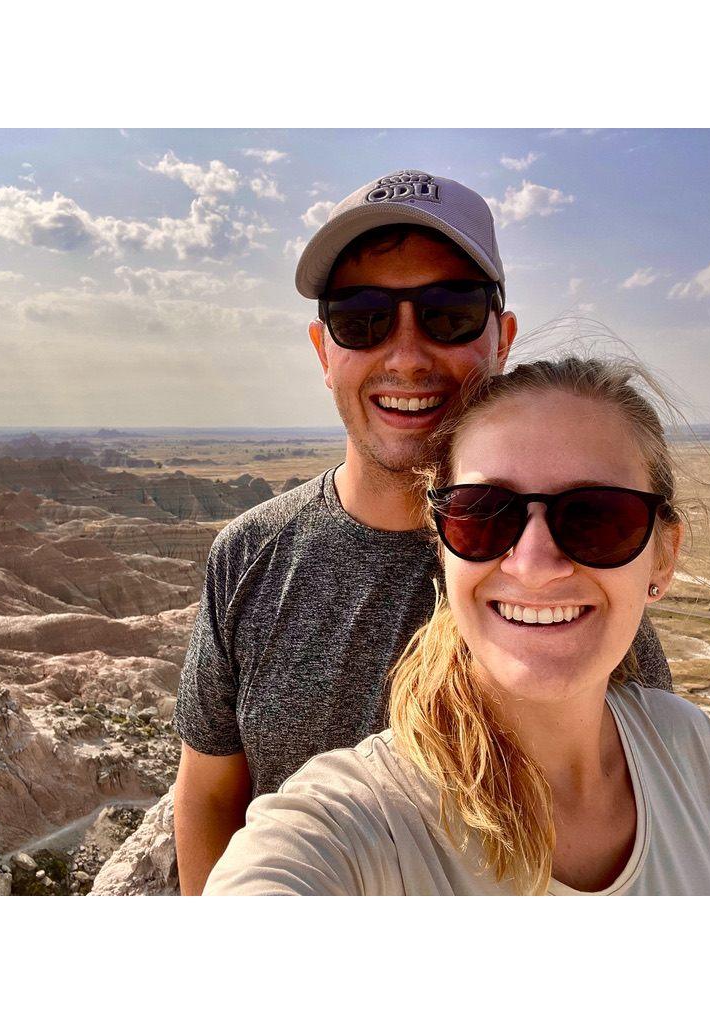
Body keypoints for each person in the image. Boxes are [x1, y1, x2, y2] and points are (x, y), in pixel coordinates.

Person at [172, 170, 675, 895]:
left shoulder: (566, 573)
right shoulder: (250, 556)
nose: (406, 355)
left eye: (448, 313)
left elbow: (646, 796)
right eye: (362, 319)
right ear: (323, 351)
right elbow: (212, 793)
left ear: (501, 339)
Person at [204, 356, 710, 895]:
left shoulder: (687, 745)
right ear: (443, 545)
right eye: (483, 514)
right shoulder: (358, 823)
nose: (533, 565)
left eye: (598, 518)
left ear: (663, 555)